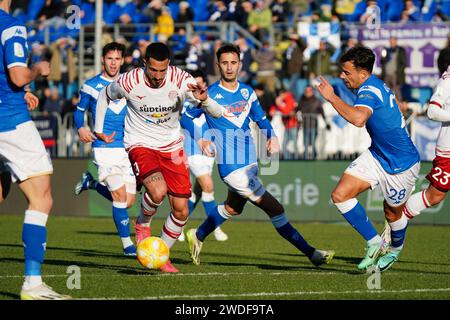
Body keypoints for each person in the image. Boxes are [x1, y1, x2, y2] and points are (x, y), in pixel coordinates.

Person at [182, 44, 335, 267]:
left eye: (233, 62)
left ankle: (198, 235)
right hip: (232, 168)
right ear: (218, 65)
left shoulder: (247, 92)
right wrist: (201, 139)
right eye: (224, 63)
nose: (229, 67)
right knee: (276, 209)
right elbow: (185, 117)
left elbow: (261, 120)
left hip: (249, 162)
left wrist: (271, 136)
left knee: (233, 207)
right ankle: (313, 254)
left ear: (240, 65)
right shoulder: (210, 94)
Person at [94, 42, 223, 273]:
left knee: (182, 210)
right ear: (145, 64)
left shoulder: (182, 79)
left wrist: (204, 100)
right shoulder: (129, 81)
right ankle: (143, 223)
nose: (158, 76)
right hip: (140, 144)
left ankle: (160, 254)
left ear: (169, 66)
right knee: (157, 191)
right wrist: (98, 127)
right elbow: (104, 96)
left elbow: (217, 112)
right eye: (153, 70)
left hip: (172, 147)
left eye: (163, 70)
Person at [315, 46, 420, 272]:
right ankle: (375, 243)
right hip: (377, 154)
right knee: (340, 195)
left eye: (346, 72)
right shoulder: (369, 85)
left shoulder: (368, 90)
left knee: (392, 214)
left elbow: (359, 119)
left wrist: (331, 97)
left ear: (363, 74)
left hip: (401, 164)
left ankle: (394, 251)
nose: (342, 76)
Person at [0, 0, 70, 300]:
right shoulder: (10, 24)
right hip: (9, 121)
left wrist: (20, 88)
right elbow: (17, 75)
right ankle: (32, 283)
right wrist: (36, 70)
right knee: (41, 196)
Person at [73, 42, 137, 256]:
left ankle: (91, 183)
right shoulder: (91, 85)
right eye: (110, 58)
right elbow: (79, 111)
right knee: (119, 197)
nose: (113, 62)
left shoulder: (128, 84)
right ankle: (128, 246)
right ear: (103, 59)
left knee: (128, 202)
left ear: (123, 60)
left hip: (127, 148)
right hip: (104, 148)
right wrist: (81, 127)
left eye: (117, 58)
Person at [382, 64, 450, 229]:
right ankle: (396, 221)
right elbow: (432, 112)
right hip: (448, 150)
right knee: (435, 196)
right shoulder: (448, 80)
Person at [179, 70, 228, 242]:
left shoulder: (209, 102)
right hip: (192, 150)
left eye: (200, 84)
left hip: (209, 151)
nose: (196, 88)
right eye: (193, 85)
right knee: (208, 186)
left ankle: (177, 226)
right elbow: (182, 121)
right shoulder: (185, 103)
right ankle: (215, 228)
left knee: (197, 193)